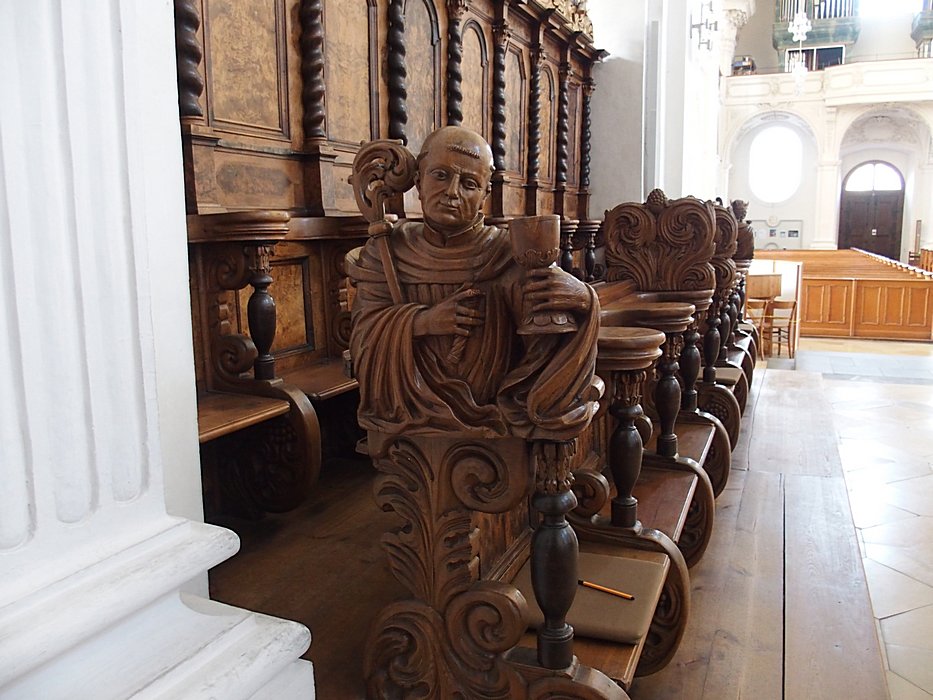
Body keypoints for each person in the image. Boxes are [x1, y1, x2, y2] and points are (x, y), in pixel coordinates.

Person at [347, 126, 600, 440]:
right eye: (440, 175)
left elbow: (546, 348)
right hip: (410, 419)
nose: (452, 192)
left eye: (469, 184)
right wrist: (424, 322)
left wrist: (585, 300)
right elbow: (364, 337)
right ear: (419, 182)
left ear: (484, 196)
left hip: (499, 418)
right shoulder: (386, 251)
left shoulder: (508, 252)